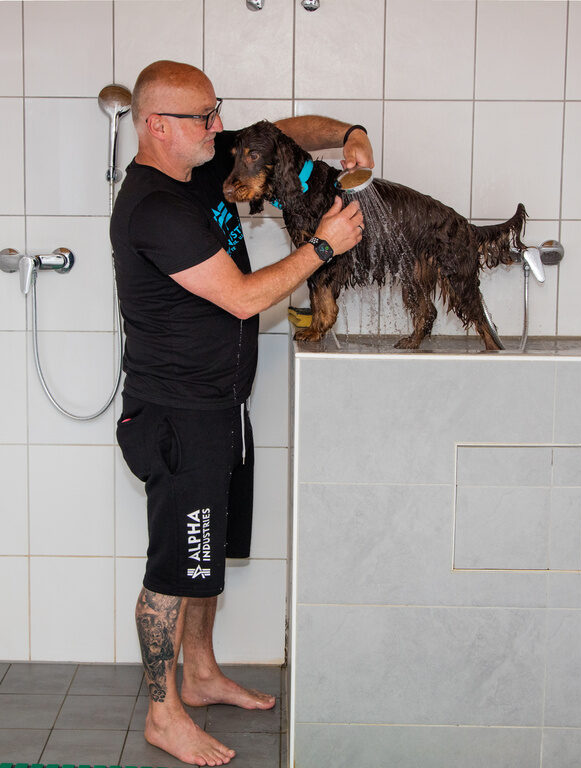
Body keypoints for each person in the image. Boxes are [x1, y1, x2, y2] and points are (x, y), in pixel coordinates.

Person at [111, 59, 372, 767]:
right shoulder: (154, 209)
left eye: (216, 110)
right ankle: (163, 715)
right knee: (176, 567)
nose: (218, 126)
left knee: (207, 555)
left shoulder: (201, 164)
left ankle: (199, 674)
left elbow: (285, 134)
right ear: (157, 125)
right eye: (204, 117)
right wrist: (324, 246)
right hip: (178, 417)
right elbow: (242, 297)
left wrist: (351, 133)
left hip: (221, 404)